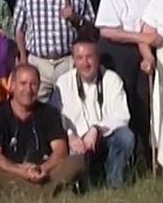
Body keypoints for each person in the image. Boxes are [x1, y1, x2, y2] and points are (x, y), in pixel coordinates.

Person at [0, 63, 85, 195]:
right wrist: (22, 172)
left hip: (44, 171)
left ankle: (28, 193)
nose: (28, 89)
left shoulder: (49, 113)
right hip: (13, 172)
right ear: (12, 86)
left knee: (77, 161)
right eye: (23, 83)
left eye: (33, 84)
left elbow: (60, 151)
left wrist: (42, 169)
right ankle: (46, 192)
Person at [13, 0, 95, 94]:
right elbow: (19, 30)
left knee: (69, 108)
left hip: (68, 61)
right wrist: (23, 60)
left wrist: (76, 18)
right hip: (37, 62)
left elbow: (92, 30)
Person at [55, 39, 136, 188]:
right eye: (79, 58)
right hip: (75, 141)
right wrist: (70, 135)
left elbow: (122, 115)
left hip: (103, 137)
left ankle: (114, 184)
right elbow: (55, 118)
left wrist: (96, 129)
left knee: (126, 136)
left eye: (89, 57)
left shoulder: (112, 79)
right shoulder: (63, 82)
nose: (85, 63)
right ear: (73, 60)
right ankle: (77, 186)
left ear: (98, 58)